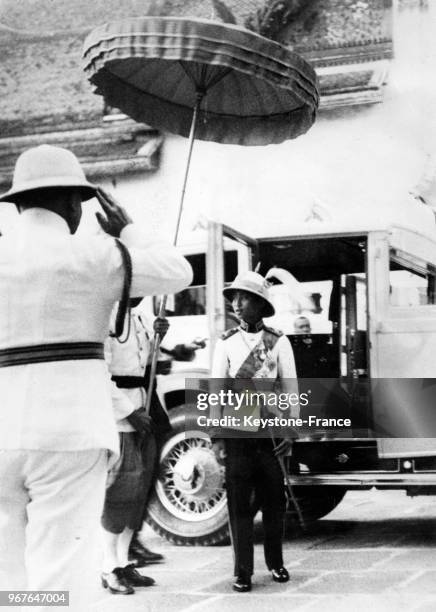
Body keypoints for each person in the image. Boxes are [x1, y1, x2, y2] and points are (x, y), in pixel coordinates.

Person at [0, 144, 192, 610]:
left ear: (20, 202)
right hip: (71, 432)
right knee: (61, 568)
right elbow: (178, 271)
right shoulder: (99, 254)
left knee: (9, 570)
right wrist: (128, 229)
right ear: (74, 202)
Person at [210, 271, 299, 593]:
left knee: (275, 500)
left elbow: (290, 388)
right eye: (233, 298)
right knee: (238, 504)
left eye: (243, 298)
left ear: (260, 305)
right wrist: (217, 436)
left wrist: (290, 428)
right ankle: (242, 571)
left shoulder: (279, 341)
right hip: (237, 433)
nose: (235, 304)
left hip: (270, 433)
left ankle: (275, 562)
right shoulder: (226, 343)